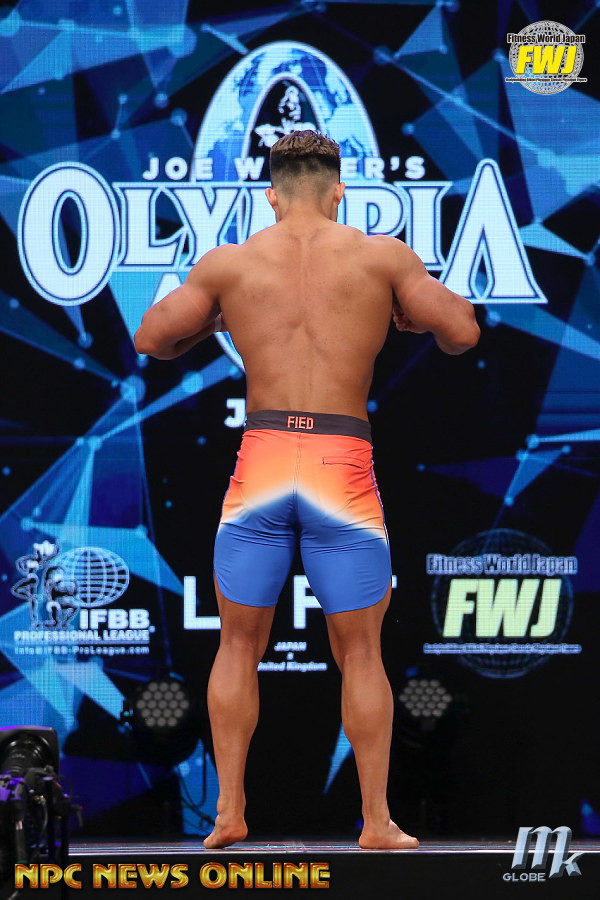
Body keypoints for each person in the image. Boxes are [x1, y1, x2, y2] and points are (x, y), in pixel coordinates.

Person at [134, 130, 480, 851]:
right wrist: (415, 315)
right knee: (360, 652)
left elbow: (151, 338)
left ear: (270, 194)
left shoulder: (231, 263)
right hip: (339, 465)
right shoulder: (381, 257)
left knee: (237, 643)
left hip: (263, 462)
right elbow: (463, 332)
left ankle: (229, 812)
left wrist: (213, 321)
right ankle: (376, 822)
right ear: (338, 190)